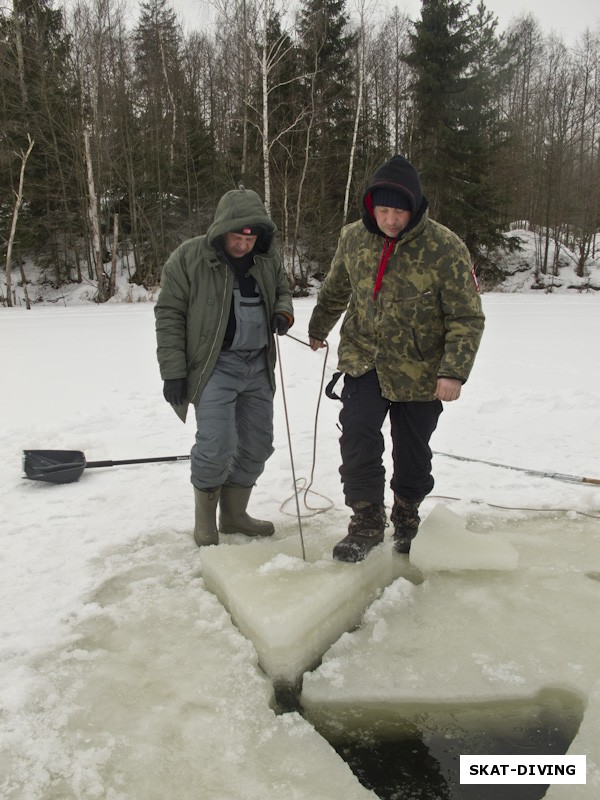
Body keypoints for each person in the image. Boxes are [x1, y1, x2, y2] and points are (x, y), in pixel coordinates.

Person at [308, 154, 484, 562]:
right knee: (357, 436)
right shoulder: (353, 237)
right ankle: (366, 520)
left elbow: (466, 315)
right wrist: (319, 327)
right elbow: (337, 287)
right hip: (364, 359)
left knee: (412, 449)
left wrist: (454, 372)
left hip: (421, 370)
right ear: (371, 207)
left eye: (398, 211)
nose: (389, 219)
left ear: (415, 207)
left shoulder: (445, 246)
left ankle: (406, 514)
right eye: (382, 210)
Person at [155, 186, 294, 547]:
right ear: (222, 228)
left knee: (258, 444)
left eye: (250, 237)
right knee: (217, 443)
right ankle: (205, 523)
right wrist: (173, 371)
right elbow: (168, 314)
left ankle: (233, 516)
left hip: (258, 365)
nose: (243, 244)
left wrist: (283, 311)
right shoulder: (189, 258)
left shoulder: (267, 258)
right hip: (214, 365)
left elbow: (282, 288)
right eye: (237, 235)